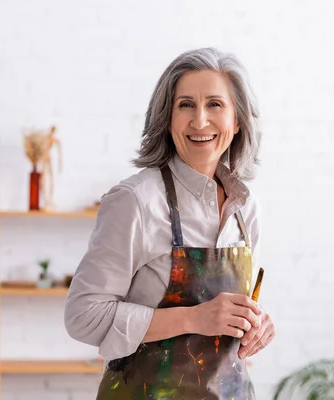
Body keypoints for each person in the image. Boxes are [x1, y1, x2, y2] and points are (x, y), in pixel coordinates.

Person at [64, 47, 275, 400]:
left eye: (215, 105)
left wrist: (257, 325)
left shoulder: (245, 206)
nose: (200, 121)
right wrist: (194, 318)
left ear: (237, 121)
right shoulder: (136, 201)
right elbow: (83, 315)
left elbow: (230, 311)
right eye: (186, 105)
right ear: (167, 118)